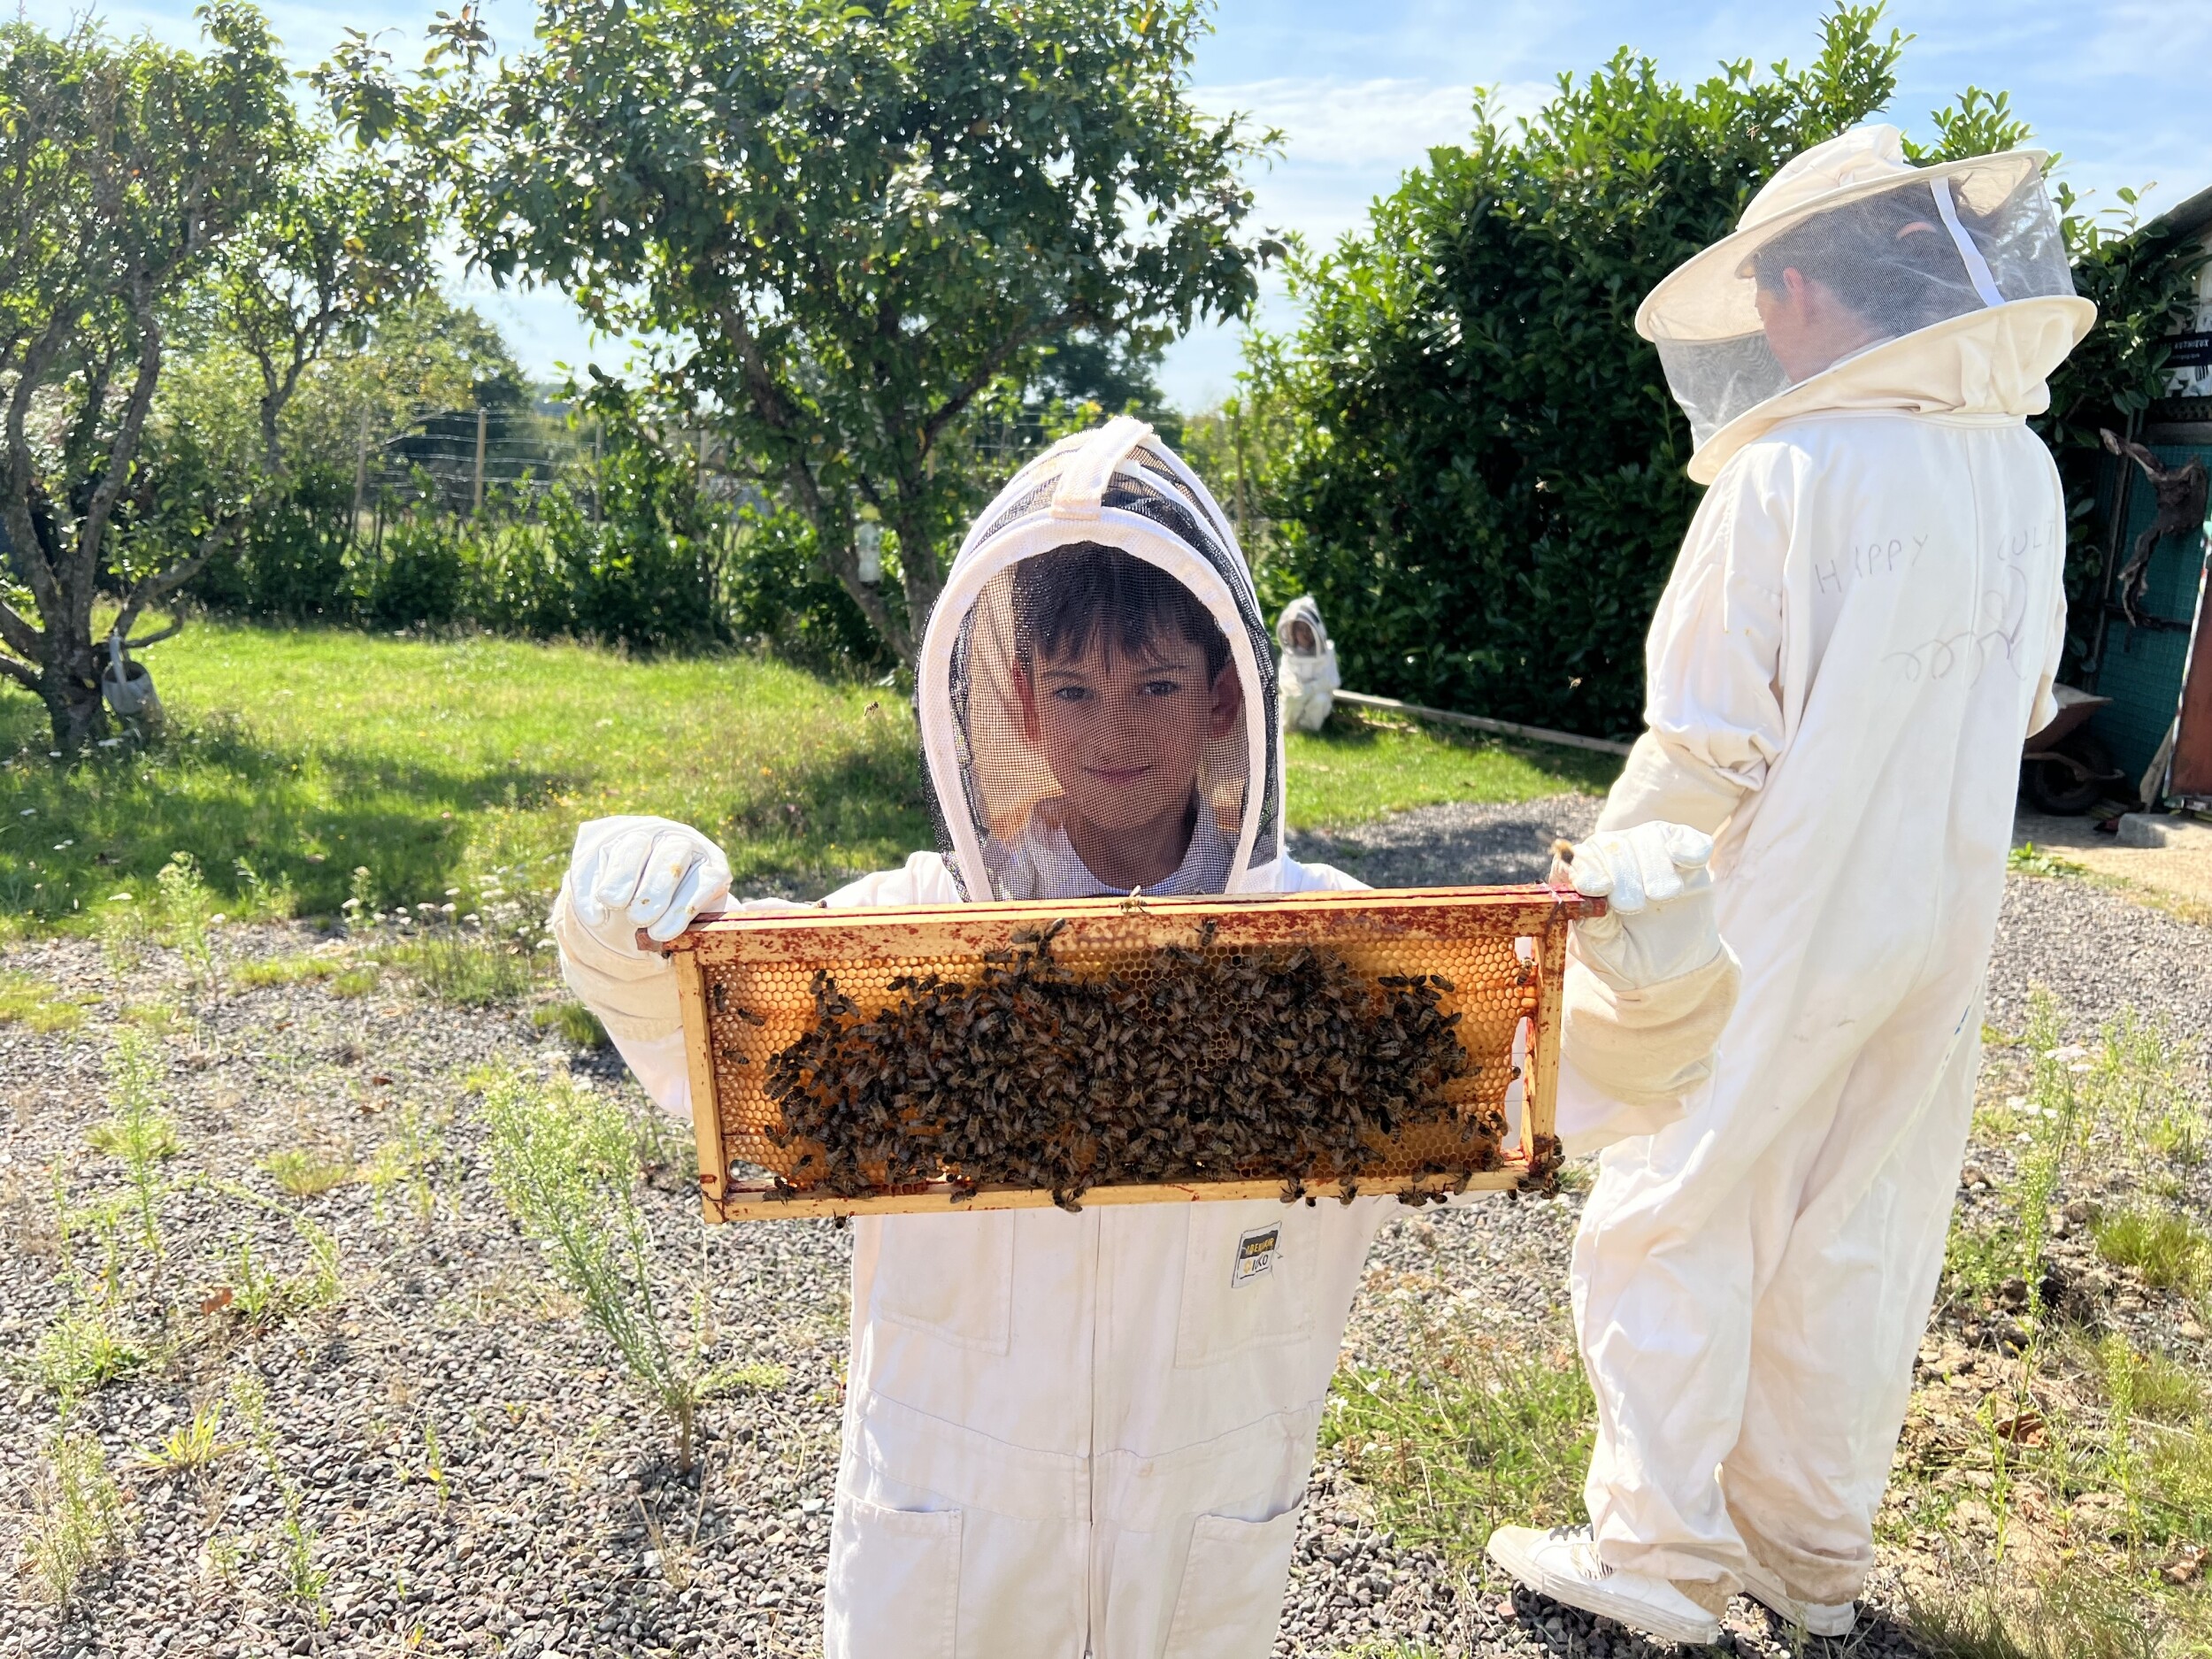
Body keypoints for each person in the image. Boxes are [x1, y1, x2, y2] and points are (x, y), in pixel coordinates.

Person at [553, 417, 1735, 1657]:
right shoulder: (914, 932)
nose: (1113, 728)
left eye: (1155, 684)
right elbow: (719, 1048)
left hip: (1200, 1539)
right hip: (948, 1545)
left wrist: (1657, 979)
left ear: (1226, 688)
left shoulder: (1332, 953)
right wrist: (622, 940)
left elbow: (1567, 1076)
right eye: (1074, 688)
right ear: (1018, 697)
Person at [1486, 125, 2093, 1645]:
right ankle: (1812, 1562)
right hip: (1940, 922)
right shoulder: (2021, 471)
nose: (1764, 319)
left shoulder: (1787, 476)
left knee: (1673, 1206)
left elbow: (1706, 751)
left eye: (1772, 286)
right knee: (1857, 1219)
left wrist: (1601, 888)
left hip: (1770, 922)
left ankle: (1659, 1556)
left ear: (1817, 294)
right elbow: (2023, 705)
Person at [1274, 595, 1340, 733]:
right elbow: (1284, 680)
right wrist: (1299, 690)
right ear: (1292, 631)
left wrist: (1312, 688)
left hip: (1317, 695)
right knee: (1292, 698)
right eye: (1300, 629)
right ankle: (1290, 729)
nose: (1305, 634)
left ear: (1316, 629)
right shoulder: (1289, 654)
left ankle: (1308, 731)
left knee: (1320, 700)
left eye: (1308, 629)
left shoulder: (1327, 651)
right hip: (1295, 697)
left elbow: (1332, 680)